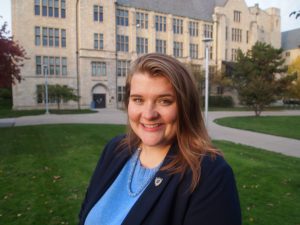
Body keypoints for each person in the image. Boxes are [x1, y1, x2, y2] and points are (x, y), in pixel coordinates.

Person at [79, 53, 241, 225]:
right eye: (138, 99)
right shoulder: (115, 149)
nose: (149, 114)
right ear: (128, 103)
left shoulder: (209, 174)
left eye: (164, 101)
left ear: (186, 107)